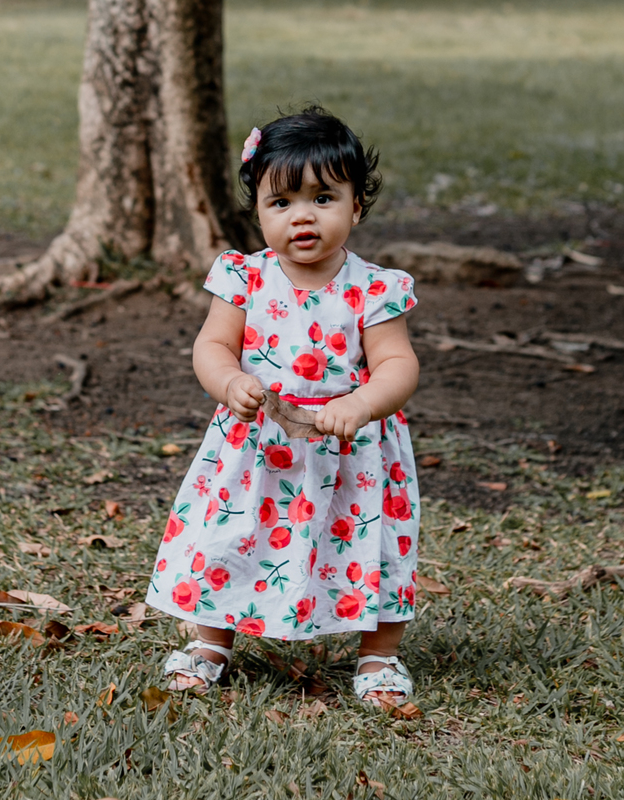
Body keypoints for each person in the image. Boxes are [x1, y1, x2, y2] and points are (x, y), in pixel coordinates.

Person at [144, 106, 420, 706]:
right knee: (230, 538)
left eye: (324, 198)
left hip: (353, 450)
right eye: (282, 202)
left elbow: (399, 365)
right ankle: (209, 642)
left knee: (371, 545)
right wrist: (227, 382)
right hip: (257, 446)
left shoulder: (375, 288)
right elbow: (212, 345)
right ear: (258, 211)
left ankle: (378, 658)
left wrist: (364, 401)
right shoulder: (244, 277)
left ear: (356, 206)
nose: (302, 216)